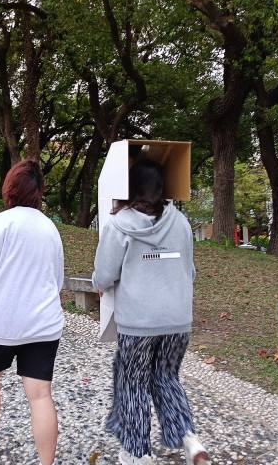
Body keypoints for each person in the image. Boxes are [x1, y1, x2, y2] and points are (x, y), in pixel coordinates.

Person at [92, 159, 209, 465]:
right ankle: (189, 439)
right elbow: (190, 271)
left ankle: (136, 453)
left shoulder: (120, 224)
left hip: (139, 323)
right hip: (178, 321)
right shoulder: (181, 223)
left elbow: (104, 275)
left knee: (133, 382)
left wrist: (102, 284)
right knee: (166, 377)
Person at [0, 160, 64, 465]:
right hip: (44, 324)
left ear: (9, 188)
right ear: (38, 192)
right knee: (41, 395)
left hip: (2, 322)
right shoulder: (49, 227)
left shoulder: (1, 222)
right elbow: (56, 280)